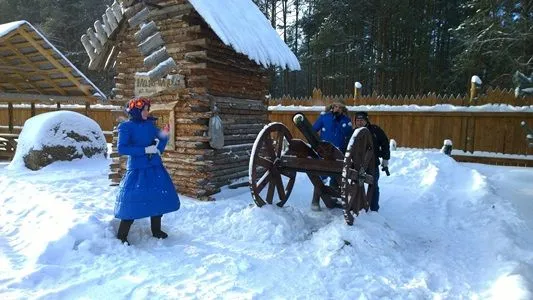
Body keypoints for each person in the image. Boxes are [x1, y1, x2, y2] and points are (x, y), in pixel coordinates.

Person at [114, 97, 180, 244]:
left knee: (157, 197)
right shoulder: (126, 127)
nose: (146, 112)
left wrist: (162, 140)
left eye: (147, 109)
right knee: (132, 201)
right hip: (137, 169)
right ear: (136, 111)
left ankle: (156, 230)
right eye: (144, 110)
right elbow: (122, 148)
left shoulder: (150, 125)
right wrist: (144, 150)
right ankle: (122, 235)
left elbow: (161, 139)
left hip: (154, 166)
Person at [311, 102, 353, 210]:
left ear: (343, 109)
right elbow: (314, 129)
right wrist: (316, 143)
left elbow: (349, 135)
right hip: (324, 151)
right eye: (335, 106)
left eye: (339, 107)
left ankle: (333, 198)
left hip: (339, 152)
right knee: (321, 176)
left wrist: (341, 121)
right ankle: (315, 201)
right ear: (331, 107)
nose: (336, 108)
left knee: (336, 176)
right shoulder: (324, 117)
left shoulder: (346, 120)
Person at [354, 111, 390, 212]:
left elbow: (385, 144)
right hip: (356, 164)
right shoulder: (353, 133)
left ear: (366, 120)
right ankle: (357, 204)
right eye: (357, 120)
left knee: (373, 185)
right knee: (355, 184)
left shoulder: (375, 131)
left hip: (372, 163)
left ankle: (374, 208)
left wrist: (385, 159)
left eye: (362, 120)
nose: (359, 122)